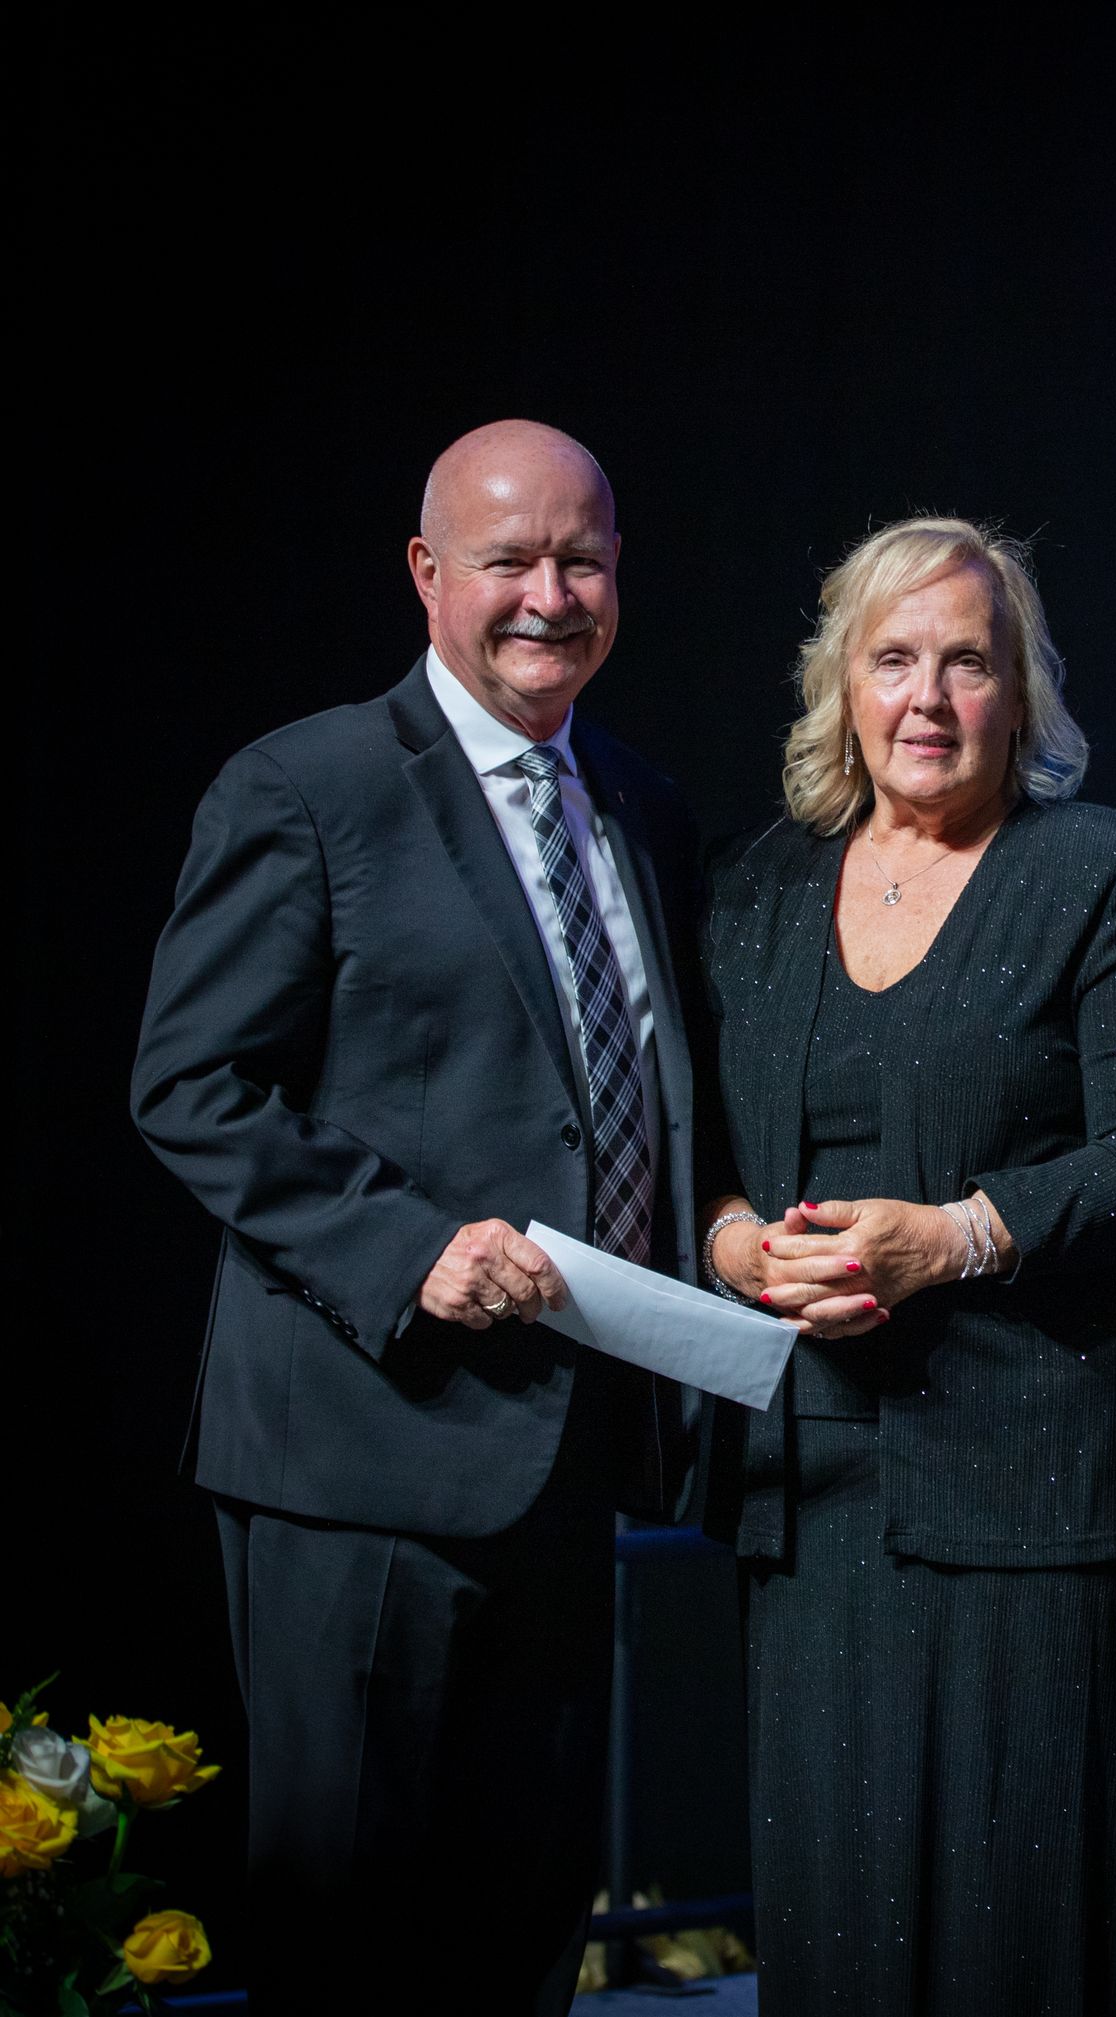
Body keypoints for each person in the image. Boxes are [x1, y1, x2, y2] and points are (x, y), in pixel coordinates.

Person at [131, 420, 719, 2016]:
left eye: (582, 559)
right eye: (511, 559)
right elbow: (191, 1081)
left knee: (523, 1918)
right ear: (427, 573)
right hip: (356, 1454)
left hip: (568, 1456)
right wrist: (410, 1249)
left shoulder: (646, 809)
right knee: (349, 1932)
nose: (550, 592)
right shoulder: (307, 783)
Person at [698, 516, 1116, 2015]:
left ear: (1021, 693)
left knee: (1019, 1943)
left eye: (969, 662)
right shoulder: (757, 889)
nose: (928, 697)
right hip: (813, 1495)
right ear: (842, 688)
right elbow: (695, 1156)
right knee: (834, 1934)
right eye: (894, 658)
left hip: (1038, 1490)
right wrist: (734, 1238)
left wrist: (953, 1236)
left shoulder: (1104, 873)